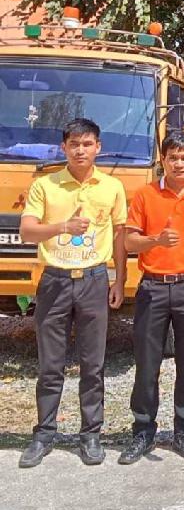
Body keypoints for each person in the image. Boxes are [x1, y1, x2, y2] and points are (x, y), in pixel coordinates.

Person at [18, 118, 127, 468]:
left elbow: (120, 236)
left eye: (87, 144)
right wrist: (64, 226)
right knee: (50, 365)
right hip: (54, 281)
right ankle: (44, 434)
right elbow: (27, 231)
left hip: (94, 280)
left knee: (93, 365)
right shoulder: (45, 185)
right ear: (63, 147)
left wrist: (119, 280)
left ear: (98, 147)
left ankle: (90, 435)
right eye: (74, 144)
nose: (81, 150)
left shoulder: (112, 187)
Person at [118, 131, 184, 464]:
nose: (179, 163)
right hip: (153, 288)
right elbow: (129, 242)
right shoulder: (145, 195)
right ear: (163, 160)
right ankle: (142, 431)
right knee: (147, 363)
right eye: (173, 157)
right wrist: (156, 241)